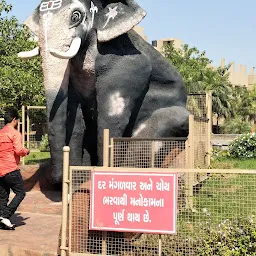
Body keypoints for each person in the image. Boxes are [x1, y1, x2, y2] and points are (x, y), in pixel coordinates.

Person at [0, 108, 30, 230]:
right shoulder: (15, 133)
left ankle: (2, 218)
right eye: (17, 120)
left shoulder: (0, 133)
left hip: (0, 170)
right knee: (21, 192)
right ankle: (6, 215)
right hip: (11, 169)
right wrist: (26, 151)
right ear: (14, 120)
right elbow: (18, 150)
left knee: (2, 196)